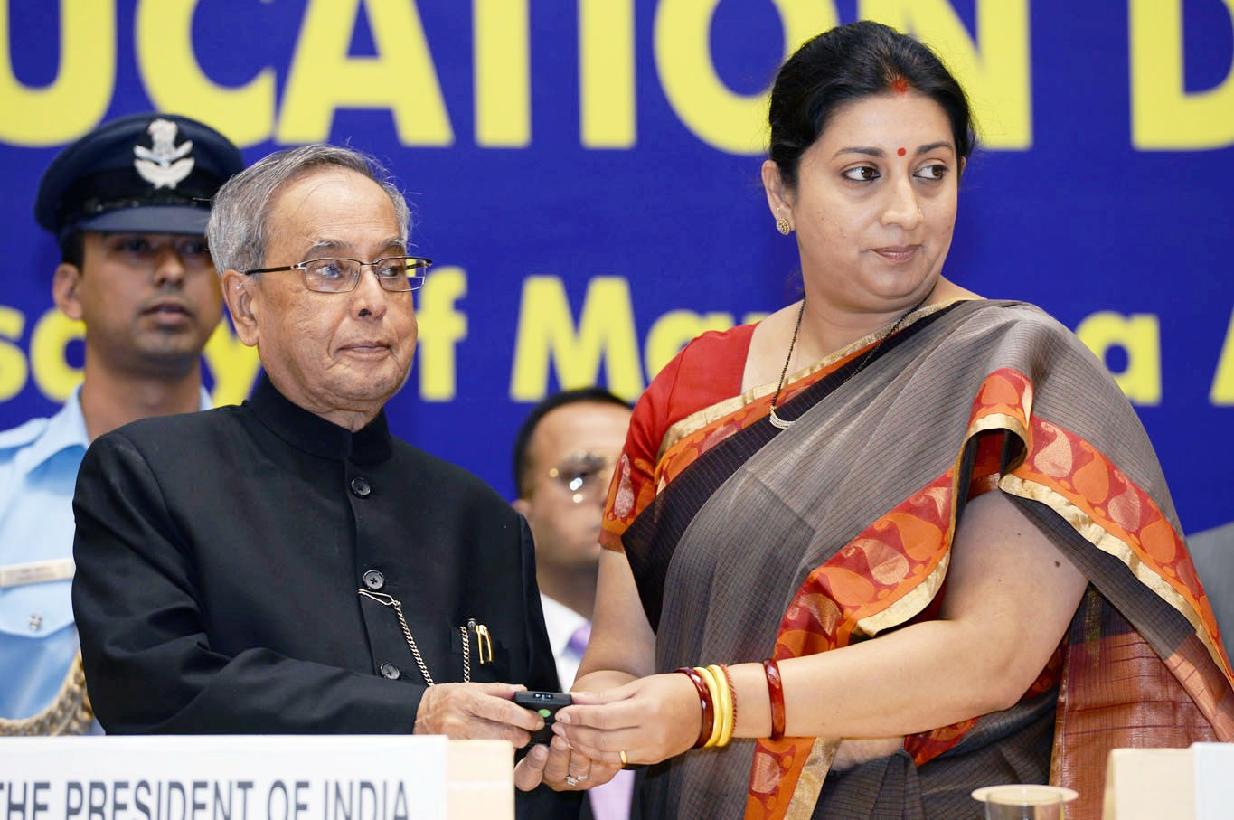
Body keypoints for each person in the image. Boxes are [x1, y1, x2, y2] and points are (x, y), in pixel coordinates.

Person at [530, 21, 1234, 819]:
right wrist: (592, 728)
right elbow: (621, 659)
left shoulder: (1013, 371)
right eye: (862, 174)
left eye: (932, 172)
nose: (905, 212)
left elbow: (988, 656)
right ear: (781, 193)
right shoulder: (692, 390)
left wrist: (711, 706)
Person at [70, 145, 575, 816]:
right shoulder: (151, 473)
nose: (373, 301)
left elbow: (532, 777)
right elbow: (152, 687)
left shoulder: (481, 519)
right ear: (245, 307)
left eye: (391, 270)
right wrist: (410, 716)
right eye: (331, 270)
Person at [0, 114, 243, 736]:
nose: (170, 271)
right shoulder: (5, 492)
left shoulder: (281, 490)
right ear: (69, 291)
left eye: (195, 249)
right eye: (134, 247)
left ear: (231, 290)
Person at [512, 388, 636, 819]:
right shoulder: (481, 659)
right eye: (581, 475)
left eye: (635, 475)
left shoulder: (705, 647)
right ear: (523, 518)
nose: (614, 495)